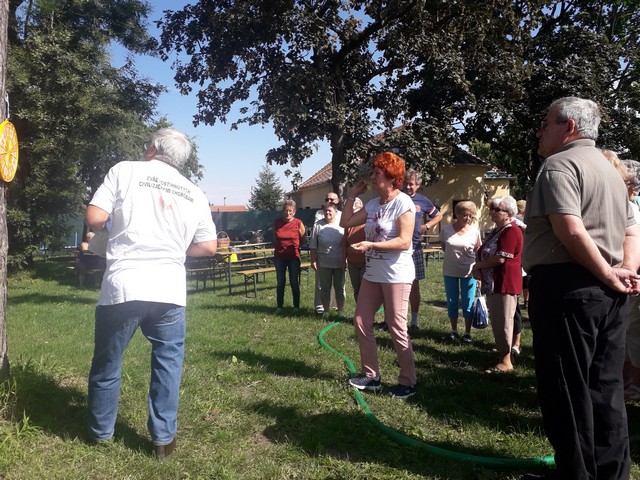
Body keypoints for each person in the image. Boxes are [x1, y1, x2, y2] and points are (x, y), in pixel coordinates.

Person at [523, 97, 640, 480]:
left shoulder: (560, 165)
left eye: (546, 123)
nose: (540, 131)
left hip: (567, 289)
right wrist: (623, 270)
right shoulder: (610, 171)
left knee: (566, 390)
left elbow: (570, 230)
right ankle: (612, 474)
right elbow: (632, 232)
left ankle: (575, 474)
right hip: (609, 294)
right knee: (606, 389)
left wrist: (609, 272)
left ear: (569, 127)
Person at [85, 128, 218, 459]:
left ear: (152, 149)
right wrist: (174, 247)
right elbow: (208, 246)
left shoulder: (125, 170)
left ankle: (100, 434)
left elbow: (95, 217)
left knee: (108, 361)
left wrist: (111, 228)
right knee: (168, 364)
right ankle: (163, 441)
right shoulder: (194, 192)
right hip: (169, 289)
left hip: (124, 285)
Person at [340, 152, 417, 400]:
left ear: (392, 177)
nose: (372, 177)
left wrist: (371, 245)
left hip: (396, 275)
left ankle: (408, 382)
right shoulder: (373, 205)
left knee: (396, 326)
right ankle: (371, 376)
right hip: (373, 274)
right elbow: (345, 222)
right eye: (373, 173)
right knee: (361, 321)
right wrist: (352, 195)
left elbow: (404, 241)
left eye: (377, 173)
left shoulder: (403, 203)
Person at [472, 195, 522, 373]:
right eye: (492, 209)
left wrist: (477, 266)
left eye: (497, 209)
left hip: (504, 282)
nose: (492, 212)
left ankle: (506, 361)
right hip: (494, 283)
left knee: (504, 321)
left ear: (509, 214)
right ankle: (504, 356)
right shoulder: (498, 230)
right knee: (498, 320)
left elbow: (501, 258)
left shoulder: (511, 231)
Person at [402, 168, 442, 336]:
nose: (408, 187)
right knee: (395, 285)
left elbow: (438, 215)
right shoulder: (398, 197)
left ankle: (414, 321)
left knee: (414, 285)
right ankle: (394, 320)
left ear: (417, 185)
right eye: (406, 183)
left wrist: (427, 226)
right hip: (398, 248)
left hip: (415, 247)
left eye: (411, 184)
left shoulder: (422, 201)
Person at [440, 200, 481, 343]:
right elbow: (444, 247)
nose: (468, 218)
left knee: (467, 303)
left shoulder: (475, 232)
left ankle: (467, 333)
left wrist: (478, 272)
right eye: (465, 215)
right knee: (452, 302)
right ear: (456, 214)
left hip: (469, 272)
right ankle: (454, 330)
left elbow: (477, 251)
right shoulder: (446, 230)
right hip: (450, 271)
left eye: (471, 215)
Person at [310, 203, 346, 319]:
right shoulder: (318, 225)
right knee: (325, 288)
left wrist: (345, 260)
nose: (327, 213)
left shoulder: (342, 225)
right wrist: (313, 260)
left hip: (339, 262)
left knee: (339, 288)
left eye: (330, 211)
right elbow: (313, 245)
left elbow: (346, 244)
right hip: (323, 262)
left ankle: (340, 312)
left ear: (336, 212)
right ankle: (325, 311)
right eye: (325, 211)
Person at [273, 199, 306, 314]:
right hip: (279, 256)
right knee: (280, 282)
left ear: (294, 212)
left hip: (294, 257)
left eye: (290, 211)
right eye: (286, 210)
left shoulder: (298, 223)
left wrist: (296, 247)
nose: (288, 213)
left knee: (294, 281)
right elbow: (275, 238)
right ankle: (279, 306)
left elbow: (303, 239)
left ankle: (296, 307)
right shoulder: (277, 223)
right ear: (282, 211)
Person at [313, 192, 341, 313]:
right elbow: (314, 239)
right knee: (322, 284)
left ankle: (337, 306)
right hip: (323, 257)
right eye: (327, 199)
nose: (329, 201)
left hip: (339, 256)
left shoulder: (342, 215)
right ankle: (321, 307)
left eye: (332, 199)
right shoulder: (319, 214)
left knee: (339, 285)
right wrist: (313, 259)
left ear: (337, 200)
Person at [342, 197, 366, 302]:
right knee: (356, 289)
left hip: (365, 262)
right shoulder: (348, 225)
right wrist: (343, 260)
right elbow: (344, 244)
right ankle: (359, 310)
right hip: (352, 262)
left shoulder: (367, 224)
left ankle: (367, 310)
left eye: (355, 211)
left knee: (365, 289)